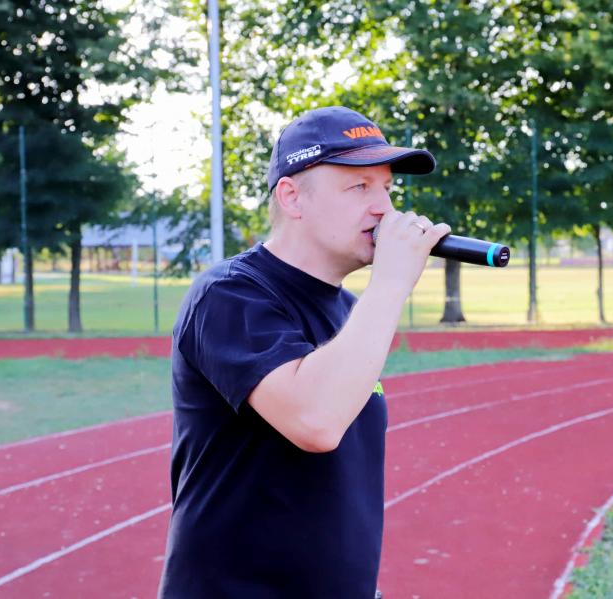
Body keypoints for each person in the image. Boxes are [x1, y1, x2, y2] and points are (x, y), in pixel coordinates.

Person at [158, 106, 450, 598]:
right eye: (359, 187)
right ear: (292, 197)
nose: (385, 208)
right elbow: (316, 422)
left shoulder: (352, 311)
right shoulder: (227, 296)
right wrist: (391, 284)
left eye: (387, 188)